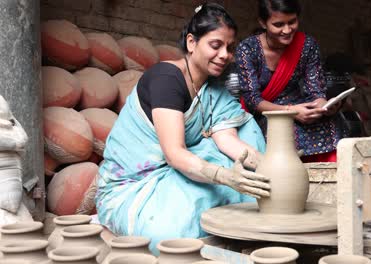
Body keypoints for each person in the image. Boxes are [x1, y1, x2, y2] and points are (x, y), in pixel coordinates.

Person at [95, 3, 270, 254]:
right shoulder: (167, 79)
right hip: (136, 185)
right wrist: (225, 176)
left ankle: (244, 213)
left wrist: (269, 168)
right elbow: (175, 154)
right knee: (167, 238)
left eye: (230, 48)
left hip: (175, 174)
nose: (224, 55)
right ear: (191, 42)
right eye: (215, 45)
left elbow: (228, 140)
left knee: (247, 127)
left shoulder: (214, 88)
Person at [235, 0, 344, 162]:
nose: (287, 30)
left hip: (299, 104)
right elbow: (252, 100)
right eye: (278, 24)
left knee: (332, 123)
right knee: (285, 130)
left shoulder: (307, 45)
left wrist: (322, 105)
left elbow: (315, 89)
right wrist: (291, 112)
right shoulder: (248, 49)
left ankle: (330, 176)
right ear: (263, 23)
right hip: (264, 111)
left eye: (292, 22)